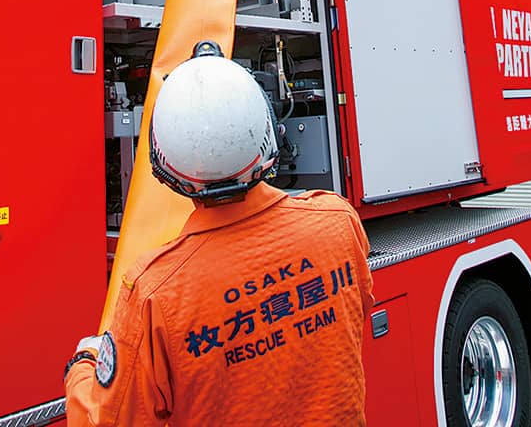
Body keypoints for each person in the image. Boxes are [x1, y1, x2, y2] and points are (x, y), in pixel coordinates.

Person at [65, 42, 374, 427]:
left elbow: (106, 421)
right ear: (268, 131)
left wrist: (83, 365)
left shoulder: (154, 292)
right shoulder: (337, 221)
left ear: (164, 166)